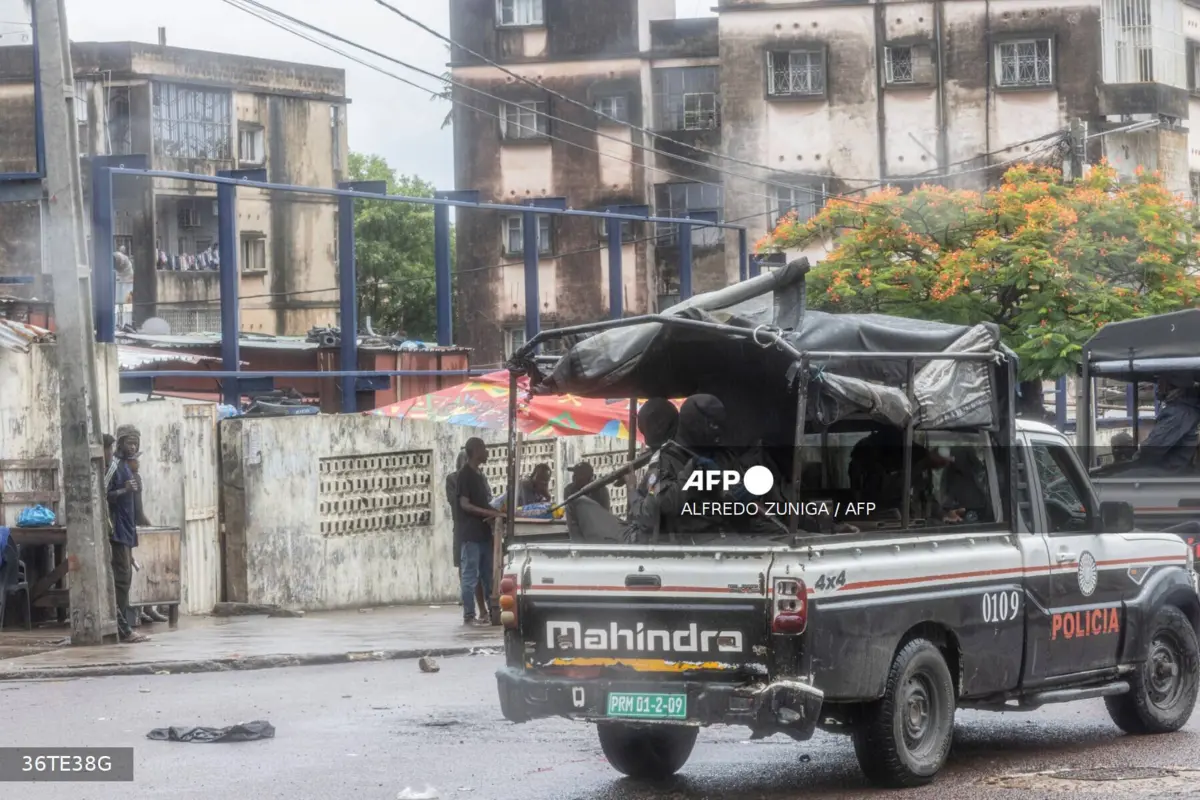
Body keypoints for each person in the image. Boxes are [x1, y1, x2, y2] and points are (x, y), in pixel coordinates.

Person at [105, 425, 149, 643]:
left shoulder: (130, 467)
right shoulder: (114, 465)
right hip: (117, 530)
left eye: (135, 443)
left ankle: (121, 626)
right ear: (120, 444)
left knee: (125, 580)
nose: (132, 447)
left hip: (127, 530)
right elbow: (103, 493)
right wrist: (124, 489)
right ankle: (122, 629)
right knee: (121, 579)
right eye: (129, 443)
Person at [456, 437, 505, 626]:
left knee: (488, 576)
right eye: (484, 448)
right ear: (475, 450)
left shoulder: (480, 475)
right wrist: (487, 512)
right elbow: (465, 504)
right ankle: (469, 615)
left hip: (485, 534)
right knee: (470, 576)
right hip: (471, 535)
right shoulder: (465, 475)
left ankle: (490, 613)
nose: (487, 452)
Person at [446, 449, 486, 621]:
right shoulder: (453, 479)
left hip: (480, 529)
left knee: (481, 572)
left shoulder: (480, 477)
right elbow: (458, 504)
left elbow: (486, 499)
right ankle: (470, 612)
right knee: (467, 572)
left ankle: (483, 609)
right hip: (464, 530)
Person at [1134, 378, 1200, 472]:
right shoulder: (1186, 408)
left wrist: (1133, 461)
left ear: (1173, 385)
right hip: (1175, 470)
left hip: (1166, 472)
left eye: (1162, 381)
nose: (1158, 386)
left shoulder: (1179, 412)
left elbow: (1152, 449)